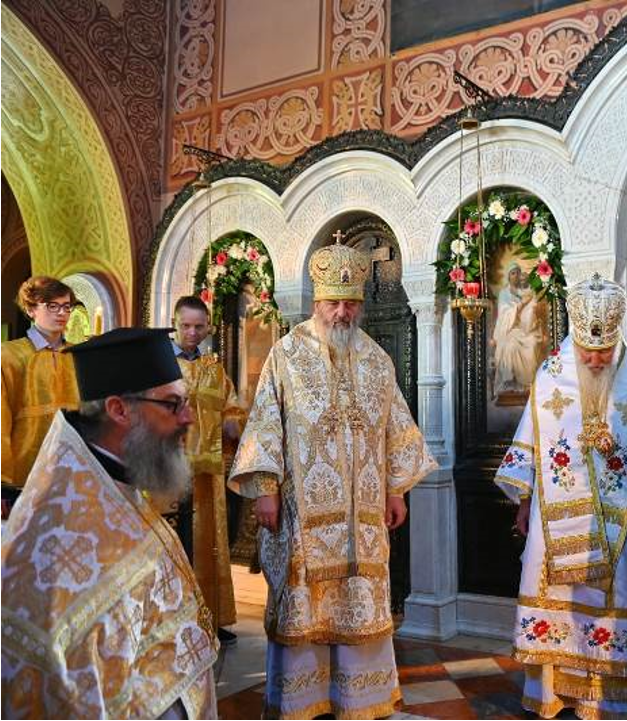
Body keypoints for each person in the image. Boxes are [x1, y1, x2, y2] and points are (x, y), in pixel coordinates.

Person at [229, 240, 436, 719]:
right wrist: (265, 489)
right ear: (317, 302)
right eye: (333, 303)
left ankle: (358, 699)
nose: (342, 313)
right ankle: (306, 702)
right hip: (302, 514)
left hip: (362, 518)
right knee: (304, 606)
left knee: (359, 601)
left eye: (350, 303)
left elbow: (395, 428)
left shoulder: (375, 359)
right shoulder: (286, 355)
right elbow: (265, 423)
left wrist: (396, 489)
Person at [0, 328, 218, 719]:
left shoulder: (114, 485)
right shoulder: (65, 539)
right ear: (119, 410)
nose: (188, 418)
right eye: (172, 405)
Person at [494, 274, 627, 719]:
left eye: (603, 352)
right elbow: (532, 442)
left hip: (616, 523)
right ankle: (554, 697)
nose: (594, 359)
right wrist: (524, 502)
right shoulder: (552, 376)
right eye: (588, 350)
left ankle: (609, 702)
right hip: (552, 523)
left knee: (614, 598)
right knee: (554, 598)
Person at [173, 294, 245, 645]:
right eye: (185, 325)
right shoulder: (161, 366)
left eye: (199, 326)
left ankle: (212, 618)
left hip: (209, 474)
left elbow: (232, 406)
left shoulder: (215, 368)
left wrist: (234, 422)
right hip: (171, 471)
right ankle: (175, 621)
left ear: (208, 328)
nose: (192, 332)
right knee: (177, 545)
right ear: (175, 325)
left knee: (210, 545)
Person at [1, 277, 82, 512]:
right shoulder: (9, 356)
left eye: (66, 306)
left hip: (73, 472)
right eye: (52, 306)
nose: (62, 313)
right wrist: (2, 484)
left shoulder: (80, 356)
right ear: (31, 309)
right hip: (23, 474)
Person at [493, 263, 542, 397]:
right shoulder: (504, 293)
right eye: (512, 273)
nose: (515, 276)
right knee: (511, 345)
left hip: (525, 329)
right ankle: (510, 383)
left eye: (517, 273)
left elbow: (532, 310)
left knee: (531, 343)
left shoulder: (525, 292)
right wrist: (520, 305)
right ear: (509, 276)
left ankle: (526, 385)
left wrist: (530, 306)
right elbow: (504, 313)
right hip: (508, 329)